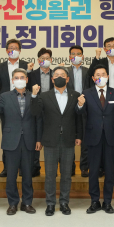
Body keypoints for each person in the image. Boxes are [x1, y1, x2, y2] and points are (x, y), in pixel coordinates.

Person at [31, 67, 83, 216]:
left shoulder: (75, 95)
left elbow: (78, 118)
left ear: (67, 79)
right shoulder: (44, 96)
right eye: (57, 75)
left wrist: (79, 135)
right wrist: (33, 96)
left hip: (68, 139)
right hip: (50, 140)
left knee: (66, 174)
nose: (59, 77)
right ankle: (50, 203)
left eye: (62, 75)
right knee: (50, 175)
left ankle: (64, 202)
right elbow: (35, 114)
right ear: (52, 79)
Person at [0, 69, 42, 215]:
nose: (19, 80)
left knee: (27, 174)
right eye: (16, 77)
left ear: (27, 80)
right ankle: (12, 203)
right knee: (11, 175)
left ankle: (27, 203)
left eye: (22, 77)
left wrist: (38, 139)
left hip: (29, 140)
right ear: (12, 80)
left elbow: (38, 118)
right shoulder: (4, 96)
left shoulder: (34, 96)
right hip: (11, 140)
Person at [76, 66, 114, 214]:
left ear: (107, 76)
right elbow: (79, 113)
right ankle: (94, 201)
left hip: (111, 137)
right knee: (94, 171)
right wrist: (80, 105)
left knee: (109, 171)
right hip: (93, 137)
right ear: (93, 78)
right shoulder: (86, 93)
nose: (100, 76)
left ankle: (107, 202)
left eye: (103, 74)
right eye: (98, 74)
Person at [88, 37, 114, 177]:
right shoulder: (100, 63)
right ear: (104, 48)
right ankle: (100, 167)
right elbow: (90, 76)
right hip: (101, 101)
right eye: (108, 46)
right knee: (100, 135)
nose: (111, 48)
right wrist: (96, 57)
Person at [0, 38, 30, 178]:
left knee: (25, 135)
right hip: (7, 104)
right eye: (10, 48)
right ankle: (7, 167)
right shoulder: (0, 66)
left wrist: (30, 71)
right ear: (6, 50)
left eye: (16, 48)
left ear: (20, 50)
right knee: (8, 136)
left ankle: (23, 167)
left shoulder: (26, 65)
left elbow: (30, 83)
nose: (13, 50)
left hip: (24, 103)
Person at [26, 47, 54, 177]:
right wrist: (28, 71)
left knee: (51, 139)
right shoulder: (31, 74)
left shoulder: (56, 74)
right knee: (35, 137)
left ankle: (51, 169)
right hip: (36, 108)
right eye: (42, 58)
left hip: (52, 110)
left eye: (47, 58)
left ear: (51, 60)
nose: (45, 60)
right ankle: (35, 166)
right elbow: (26, 89)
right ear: (38, 60)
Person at [66, 45, 90, 177]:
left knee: (85, 137)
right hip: (69, 107)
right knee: (70, 137)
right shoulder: (65, 71)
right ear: (69, 56)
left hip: (85, 107)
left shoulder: (88, 71)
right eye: (73, 54)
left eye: (78, 54)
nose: (76, 56)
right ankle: (70, 166)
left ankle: (84, 166)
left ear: (83, 56)